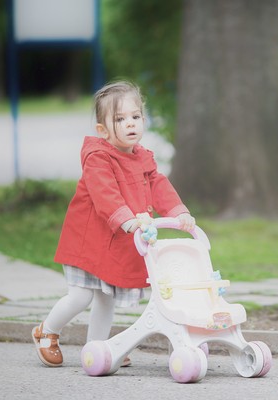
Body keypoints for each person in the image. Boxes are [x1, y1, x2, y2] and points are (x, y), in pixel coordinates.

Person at [32, 80, 195, 367]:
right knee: (81, 296)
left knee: (106, 298)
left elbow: (158, 185)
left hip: (111, 244)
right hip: (88, 241)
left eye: (135, 117)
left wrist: (178, 212)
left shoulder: (143, 158)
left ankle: (99, 349)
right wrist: (128, 220)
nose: (130, 124)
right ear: (103, 130)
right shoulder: (99, 158)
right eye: (120, 119)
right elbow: (104, 193)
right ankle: (47, 331)